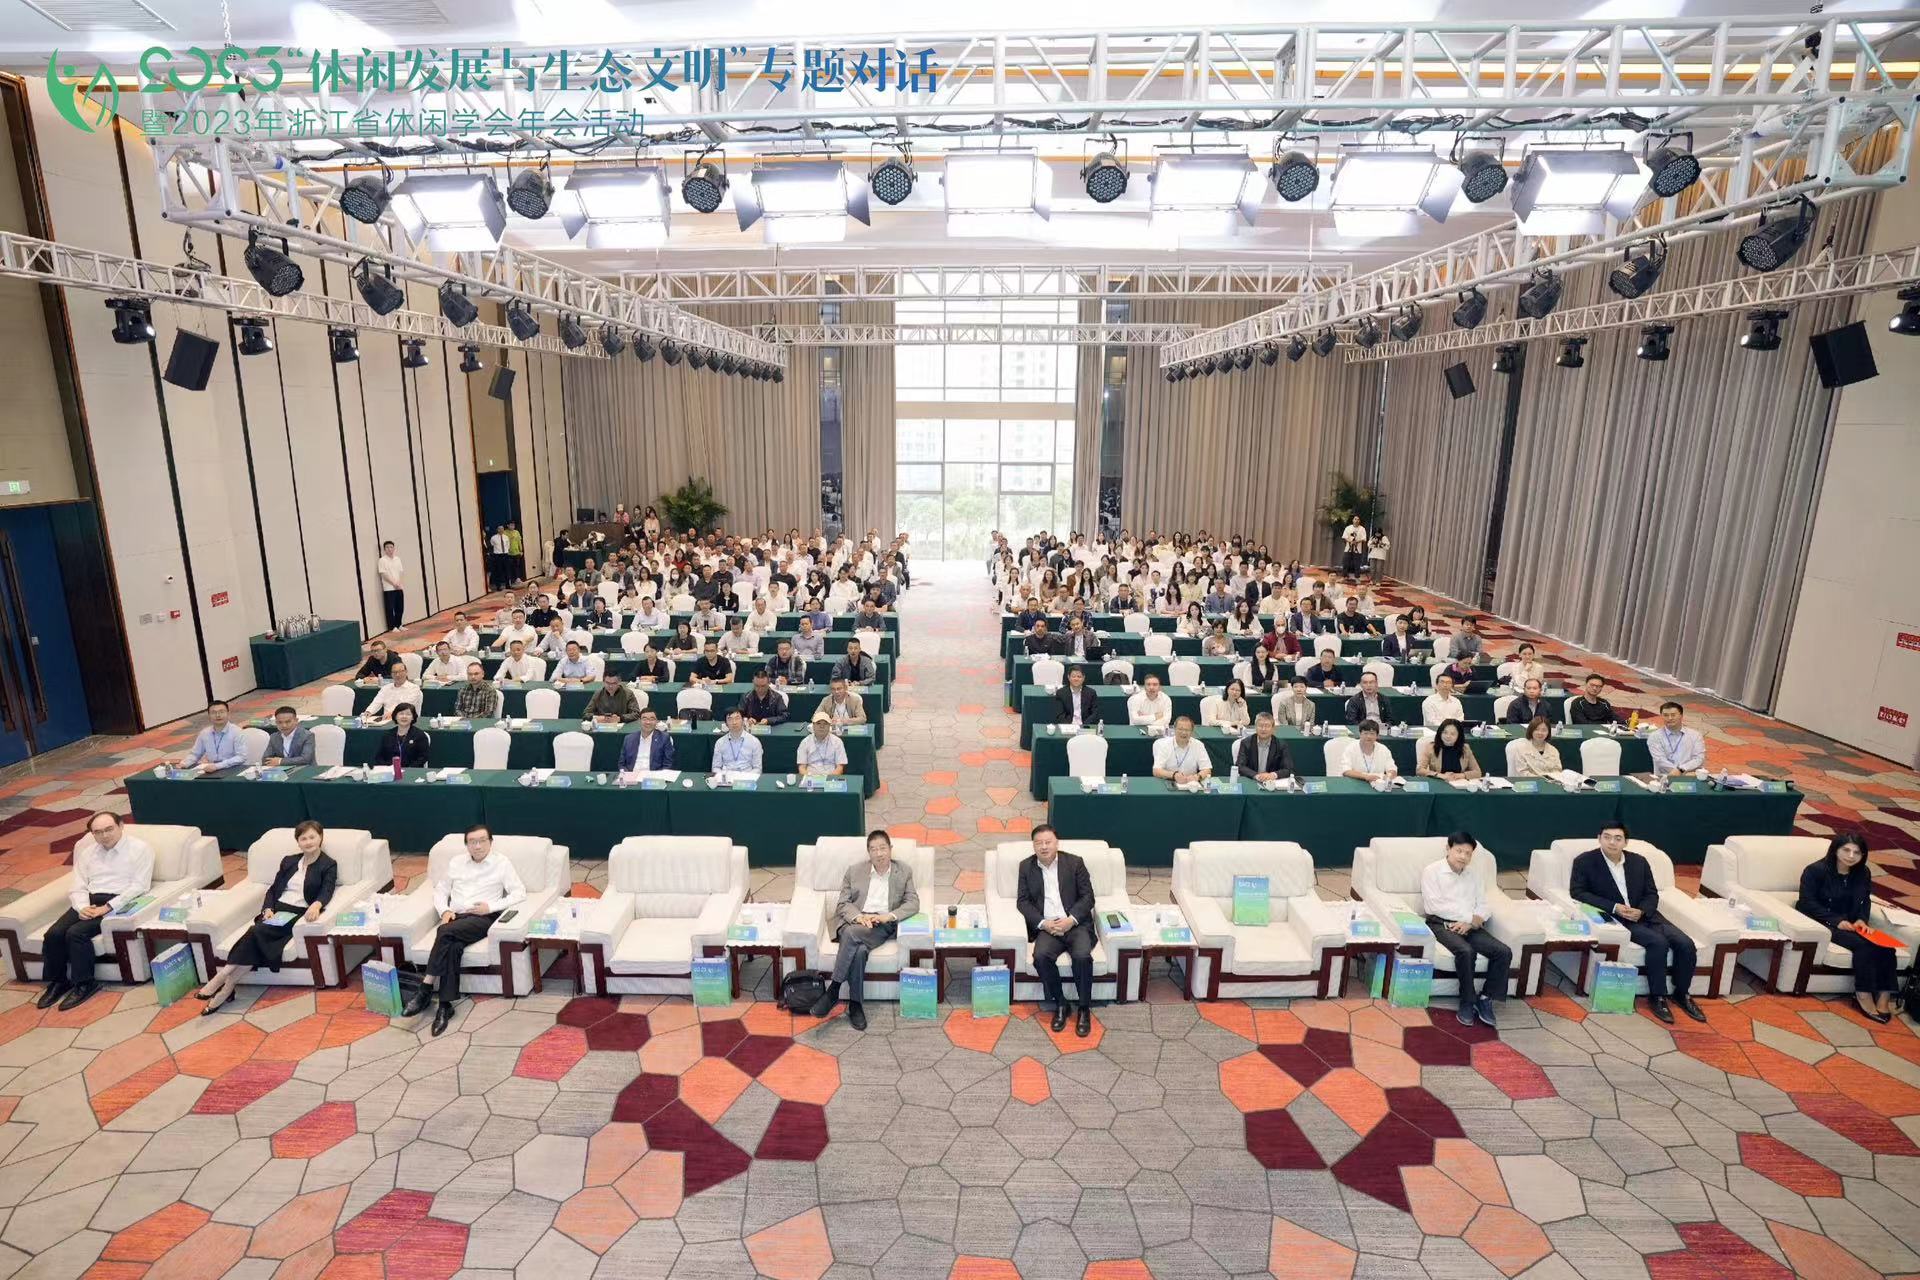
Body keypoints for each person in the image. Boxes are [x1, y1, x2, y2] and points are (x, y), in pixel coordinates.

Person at [1569, 821, 1706, 1024]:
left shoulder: (1639, 862)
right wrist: (1614, 907)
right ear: (1599, 838)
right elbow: (1578, 892)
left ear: (1625, 842)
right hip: (1618, 918)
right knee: (1658, 943)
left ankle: (1682, 993)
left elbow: (1651, 893)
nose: (1612, 842)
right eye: (1607, 837)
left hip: (1647, 915)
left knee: (1686, 944)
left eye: (1618, 838)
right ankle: (1658, 996)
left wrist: (1642, 910)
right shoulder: (1585, 861)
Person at [195, 818, 336, 1012]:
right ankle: (227, 988)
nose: (308, 842)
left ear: (320, 837)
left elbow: (327, 890)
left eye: (312, 837)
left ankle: (221, 978)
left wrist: (317, 905)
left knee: (255, 931)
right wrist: (267, 908)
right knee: (256, 939)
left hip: (295, 913)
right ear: (298, 842)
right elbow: (273, 889)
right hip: (276, 911)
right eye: (303, 838)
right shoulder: (289, 861)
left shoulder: (328, 864)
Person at [401, 824, 526, 1036]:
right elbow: (440, 891)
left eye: (482, 841)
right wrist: (444, 910)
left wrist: (491, 907)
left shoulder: (501, 863)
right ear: (467, 845)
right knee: (453, 946)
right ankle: (444, 1006)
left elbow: (519, 893)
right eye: (472, 842)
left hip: (483, 917)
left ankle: (425, 988)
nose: (477, 846)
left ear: (490, 842)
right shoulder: (456, 862)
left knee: (444, 932)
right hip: (456, 917)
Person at [35, 812, 153, 1011]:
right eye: (98, 832)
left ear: (121, 826)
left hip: (117, 901)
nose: (104, 836)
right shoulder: (87, 852)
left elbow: (140, 886)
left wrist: (107, 908)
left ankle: (85, 983)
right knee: (54, 934)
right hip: (88, 900)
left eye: (109, 829)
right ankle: (58, 982)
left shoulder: (140, 849)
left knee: (76, 933)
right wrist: (82, 907)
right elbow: (78, 885)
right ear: (92, 834)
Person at [809, 829, 918, 1031]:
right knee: (856, 944)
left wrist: (888, 916)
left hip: (881, 924)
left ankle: (834, 991)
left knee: (854, 940)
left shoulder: (904, 871)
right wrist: (859, 917)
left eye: (883, 848)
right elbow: (842, 904)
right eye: (874, 849)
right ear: (869, 853)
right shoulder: (854, 871)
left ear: (890, 849)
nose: (879, 853)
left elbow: (913, 903)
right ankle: (855, 1004)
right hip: (854, 920)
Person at [1797, 833, 1898, 1022]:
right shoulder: (1815, 870)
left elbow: (1865, 900)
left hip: (1851, 923)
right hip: (1822, 921)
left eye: (1857, 852)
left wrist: (1862, 919)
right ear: (1835, 849)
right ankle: (1863, 993)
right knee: (1864, 946)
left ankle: (1884, 995)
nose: (1851, 856)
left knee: (1887, 948)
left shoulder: (1863, 872)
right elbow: (1806, 902)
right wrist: (1835, 920)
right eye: (1846, 850)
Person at [1420, 831, 1510, 1027]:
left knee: (1503, 952)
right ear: (1448, 849)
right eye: (1459, 851)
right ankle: (1467, 1001)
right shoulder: (1432, 871)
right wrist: (1469, 918)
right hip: (1441, 924)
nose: (1463, 856)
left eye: (1468, 853)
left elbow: (1483, 904)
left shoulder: (1474, 875)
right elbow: (1433, 906)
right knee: (1465, 951)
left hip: (1470, 926)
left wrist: (1472, 922)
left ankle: (1485, 998)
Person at [1017, 825, 1097, 1037]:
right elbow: (1022, 902)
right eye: (1039, 843)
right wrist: (1043, 923)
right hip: (1048, 926)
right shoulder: (1026, 867)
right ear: (1033, 845)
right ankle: (1061, 1003)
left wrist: (1071, 920)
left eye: (1048, 842)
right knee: (1040, 957)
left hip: (1075, 924)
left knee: (1082, 956)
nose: (1044, 847)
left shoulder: (1075, 863)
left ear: (1056, 843)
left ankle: (1084, 1008)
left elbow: (1088, 897)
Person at [177, 700, 246, 772]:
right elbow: (195, 754)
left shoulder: (237, 732)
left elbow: (241, 757)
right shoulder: (204, 733)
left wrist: (218, 766)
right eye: (213, 712)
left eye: (221, 712)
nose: (218, 715)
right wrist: (185, 763)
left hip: (232, 769)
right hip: (211, 770)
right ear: (209, 716)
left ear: (228, 713)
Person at [1648, 701, 1706, 776]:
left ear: (1681, 716)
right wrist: (1681, 772)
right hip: (1665, 776)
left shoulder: (1695, 735)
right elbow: (1660, 760)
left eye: (1673, 715)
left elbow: (1699, 758)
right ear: (1661, 716)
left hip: (1688, 776)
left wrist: (1682, 769)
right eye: (1666, 715)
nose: (1670, 718)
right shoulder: (1654, 736)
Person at [1235, 712, 1295, 783]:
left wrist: (1272, 775)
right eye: (1260, 726)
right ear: (1255, 727)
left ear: (1273, 729)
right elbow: (1240, 766)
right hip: (1252, 781)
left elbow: (1289, 769)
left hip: (1272, 783)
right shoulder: (1246, 743)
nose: (1263, 729)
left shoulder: (1281, 745)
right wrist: (1256, 775)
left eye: (1267, 726)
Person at [1418, 719, 1484, 781]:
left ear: (1459, 736)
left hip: (1458, 783)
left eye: (1452, 734)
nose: (1448, 736)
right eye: (1445, 732)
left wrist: (1461, 775)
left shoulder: (1465, 748)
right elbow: (1419, 770)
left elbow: (1477, 772)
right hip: (1438, 782)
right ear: (1440, 733)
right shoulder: (1431, 747)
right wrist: (1440, 775)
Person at [1152, 716, 1212, 784]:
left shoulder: (1198, 745)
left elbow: (1207, 769)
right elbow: (1156, 770)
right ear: (1174, 729)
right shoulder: (1164, 745)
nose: (1183, 733)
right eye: (1180, 729)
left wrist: (1197, 777)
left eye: (1187, 730)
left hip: (1191, 784)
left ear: (1192, 732)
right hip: (1169, 782)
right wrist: (1174, 775)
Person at [618, 707, 677, 773]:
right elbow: (622, 764)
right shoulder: (629, 738)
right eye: (644, 719)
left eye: (652, 719)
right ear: (639, 721)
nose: (648, 722)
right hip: (632, 775)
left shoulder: (664, 738)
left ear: (656, 722)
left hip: (653, 776)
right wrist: (627, 774)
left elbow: (668, 764)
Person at [712, 709, 764, 775]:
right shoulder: (720, 743)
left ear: (743, 721)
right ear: (726, 724)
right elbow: (716, 767)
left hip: (747, 777)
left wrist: (745, 778)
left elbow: (757, 769)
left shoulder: (754, 742)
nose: (734, 722)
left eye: (737, 718)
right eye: (730, 719)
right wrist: (723, 777)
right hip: (727, 777)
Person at [796, 713, 849, 778]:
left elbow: (840, 768)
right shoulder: (805, 742)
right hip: (810, 778)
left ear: (829, 726)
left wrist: (827, 780)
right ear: (813, 726)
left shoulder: (837, 742)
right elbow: (801, 768)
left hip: (831, 778)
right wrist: (812, 779)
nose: (822, 726)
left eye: (825, 724)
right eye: (818, 723)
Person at [1053, 664, 1100, 729]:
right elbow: (1060, 714)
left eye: (1079, 677)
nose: (1076, 679)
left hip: (1085, 726)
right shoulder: (1061, 693)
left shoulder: (1091, 693)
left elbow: (1095, 713)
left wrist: (1084, 726)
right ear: (1068, 677)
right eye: (1073, 676)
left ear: (1083, 678)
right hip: (1068, 727)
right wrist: (1069, 727)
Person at [377, 540, 405, 631]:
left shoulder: (397, 559)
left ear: (394, 548)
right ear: (384, 549)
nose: (389, 549)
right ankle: (392, 627)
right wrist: (394, 583)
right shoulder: (382, 560)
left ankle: (399, 624)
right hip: (389, 588)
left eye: (391, 547)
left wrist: (399, 583)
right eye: (387, 547)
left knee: (400, 607)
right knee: (390, 608)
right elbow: (383, 574)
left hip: (399, 587)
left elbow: (400, 572)